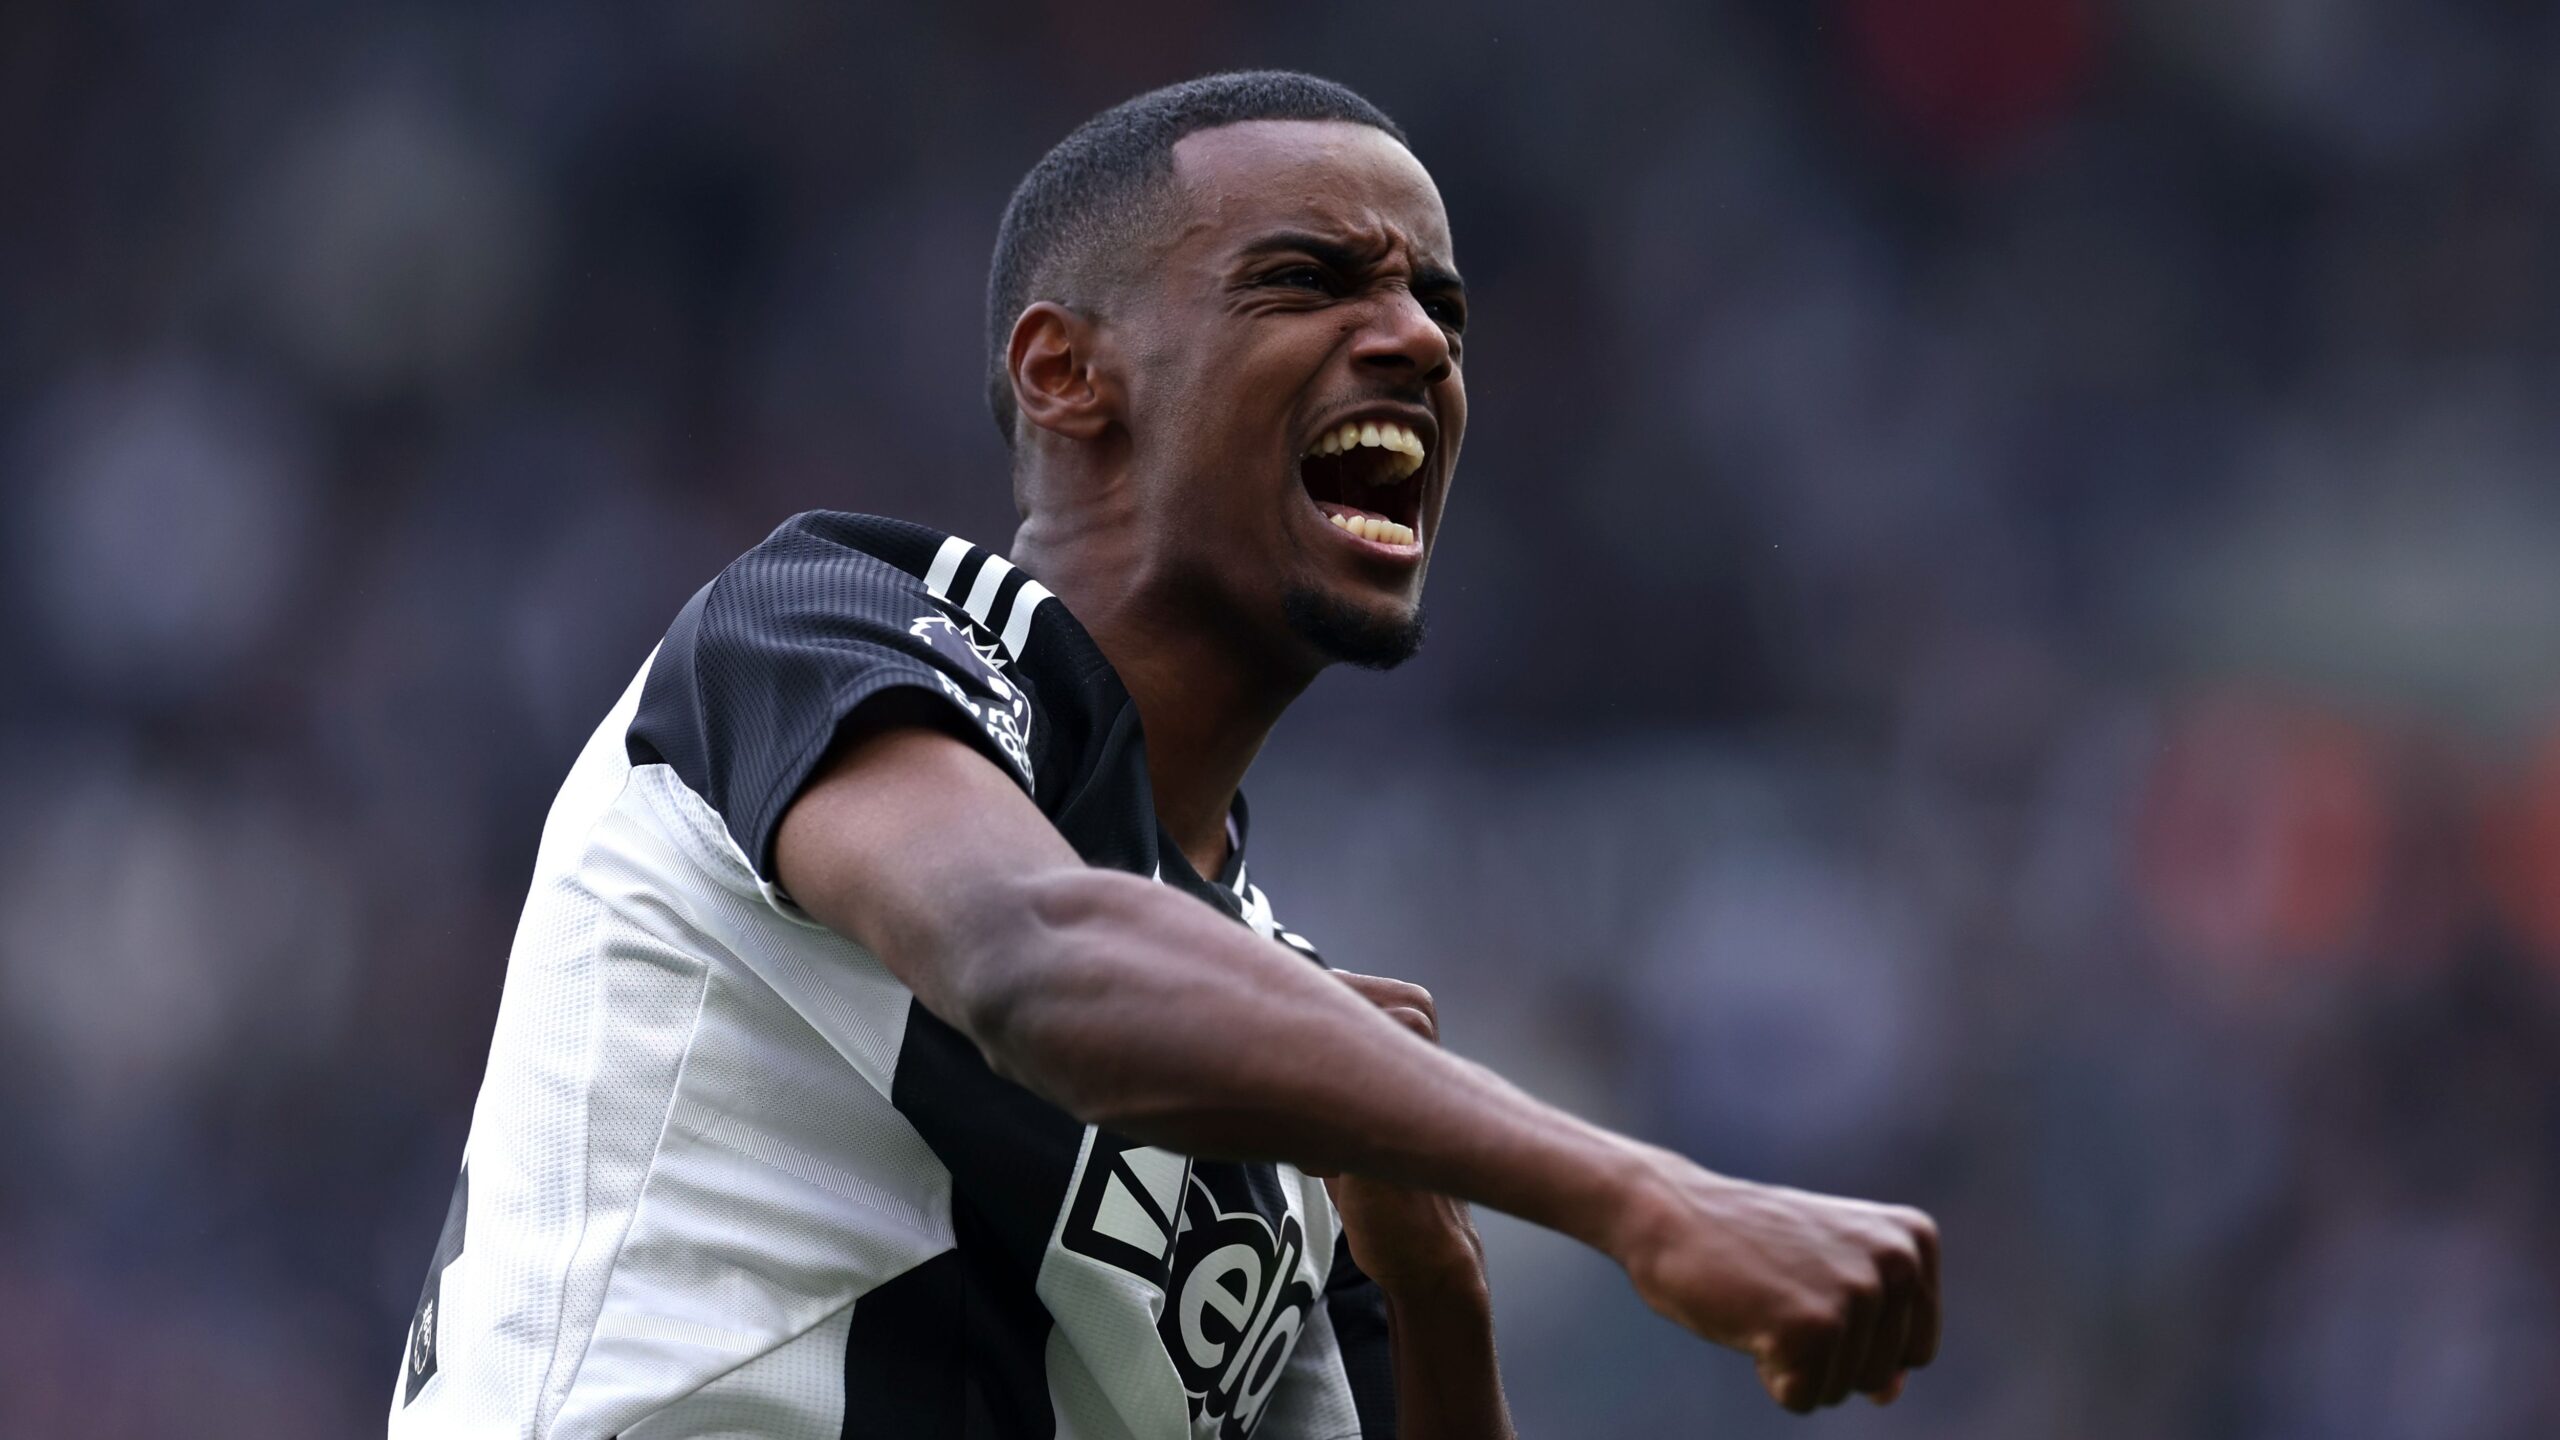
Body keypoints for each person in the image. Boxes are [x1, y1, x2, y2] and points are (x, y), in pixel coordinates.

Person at [390, 70, 1939, 1440]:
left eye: (1443, 310)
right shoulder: (827, 623)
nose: (1416, 338)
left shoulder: (1293, 1055)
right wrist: (1648, 1196)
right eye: (1307, 279)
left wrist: (1437, 1288)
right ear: (1068, 373)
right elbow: (1034, 959)